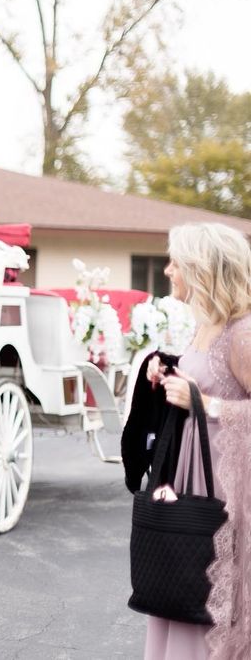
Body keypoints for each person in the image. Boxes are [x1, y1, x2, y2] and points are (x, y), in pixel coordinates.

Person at [140, 223, 251, 659]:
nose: (168, 271)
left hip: (225, 480)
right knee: (180, 575)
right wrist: (168, 373)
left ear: (203, 269)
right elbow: (205, 381)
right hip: (190, 472)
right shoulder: (206, 324)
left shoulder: (242, 333)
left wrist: (205, 403)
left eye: (176, 263)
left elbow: (214, 398)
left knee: (205, 584)